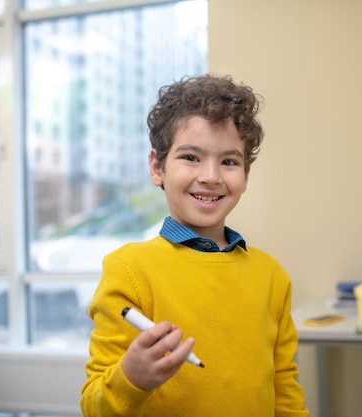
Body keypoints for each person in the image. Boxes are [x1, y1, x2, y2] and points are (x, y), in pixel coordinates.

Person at [80, 74, 309, 417]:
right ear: (158, 167)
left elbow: (285, 391)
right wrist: (132, 378)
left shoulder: (272, 276)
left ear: (245, 175)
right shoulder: (128, 270)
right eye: (191, 157)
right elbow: (94, 407)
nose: (211, 176)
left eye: (229, 161)